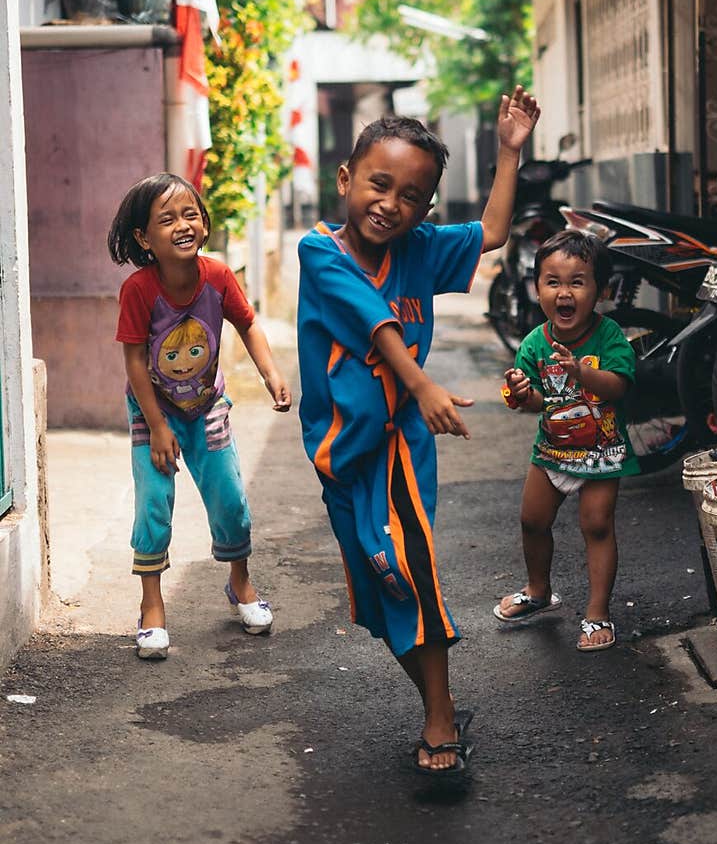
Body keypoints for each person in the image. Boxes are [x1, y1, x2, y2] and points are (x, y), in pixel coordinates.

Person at [297, 86, 540, 774]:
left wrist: (508, 152)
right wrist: (421, 380)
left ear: (425, 208)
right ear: (345, 179)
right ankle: (441, 701)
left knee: (407, 574)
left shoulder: (422, 247)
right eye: (379, 184)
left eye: (411, 196)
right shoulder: (319, 252)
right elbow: (374, 318)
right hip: (338, 456)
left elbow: (490, 231)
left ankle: (439, 724)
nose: (391, 204)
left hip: (400, 449)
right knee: (379, 593)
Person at [108, 172, 292, 660]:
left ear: (204, 224)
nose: (182, 225)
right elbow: (133, 360)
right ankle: (151, 608)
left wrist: (271, 373)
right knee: (153, 504)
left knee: (230, 500)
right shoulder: (139, 291)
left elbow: (248, 324)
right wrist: (159, 426)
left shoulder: (217, 276)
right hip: (153, 409)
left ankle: (241, 586)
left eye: (190, 214)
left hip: (207, 403)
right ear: (145, 239)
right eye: (166, 220)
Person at [495, 229, 640, 651]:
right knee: (532, 521)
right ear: (537, 287)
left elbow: (617, 386)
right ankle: (538, 590)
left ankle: (597, 614)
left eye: (577, 281)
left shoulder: (610, 335)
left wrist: (581, 373)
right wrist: (521, 393)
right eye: (552, 281)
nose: (564, 292)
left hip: (601, 453)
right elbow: (538, 400)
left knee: (596, 526)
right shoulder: (535, 343)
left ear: (600, 290)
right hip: (552, 452)